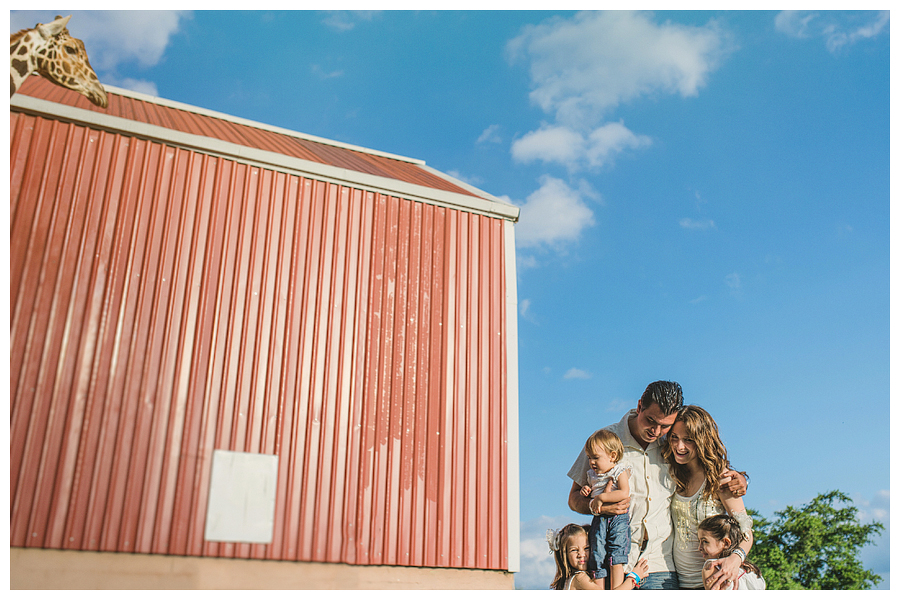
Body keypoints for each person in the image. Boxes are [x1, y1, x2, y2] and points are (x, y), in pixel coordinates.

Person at [567, 381, 747, 590]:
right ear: (639, 406)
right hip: (614, 563)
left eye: (665, 426)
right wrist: (597, 506)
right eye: (651, 421)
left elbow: (703, 465)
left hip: (661, 565)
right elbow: (573, 498)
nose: (656, 431)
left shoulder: (672, 444)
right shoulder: (604, 441)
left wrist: (737, 479)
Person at [662, 405, 754, 590]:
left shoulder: (720, 478)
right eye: (674, 437)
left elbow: (746, 531)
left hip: (716, 579)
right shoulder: (672, 474)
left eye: (688, 440)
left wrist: (735, 559)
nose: (679, 446)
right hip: (678, 582)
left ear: (702, 440)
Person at [579, 429, 631, 589]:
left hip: (617, 518)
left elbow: (624, 492)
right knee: (597, 553)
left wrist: (601, 498)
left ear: (612, 456)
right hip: (599, 518)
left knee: (617, 551)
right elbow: (590, 495)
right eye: (589, 458)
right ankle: (599, 589)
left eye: (596, 457)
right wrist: (586, 491)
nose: (591, 462)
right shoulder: (592, 475)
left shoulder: (619, 471)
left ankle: (616, 588)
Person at [548, 523, 649, 590]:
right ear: (564, 555)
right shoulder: (580, 578)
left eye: (586, 548)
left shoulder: (566, 581)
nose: (581, 554)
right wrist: (634, 577)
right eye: (574, 550)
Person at [698, 514, 766, 590]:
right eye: (699, 541)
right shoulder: (751, 569)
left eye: (705, 541)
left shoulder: (710, 568)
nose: (699, 548)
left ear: (726, 543)